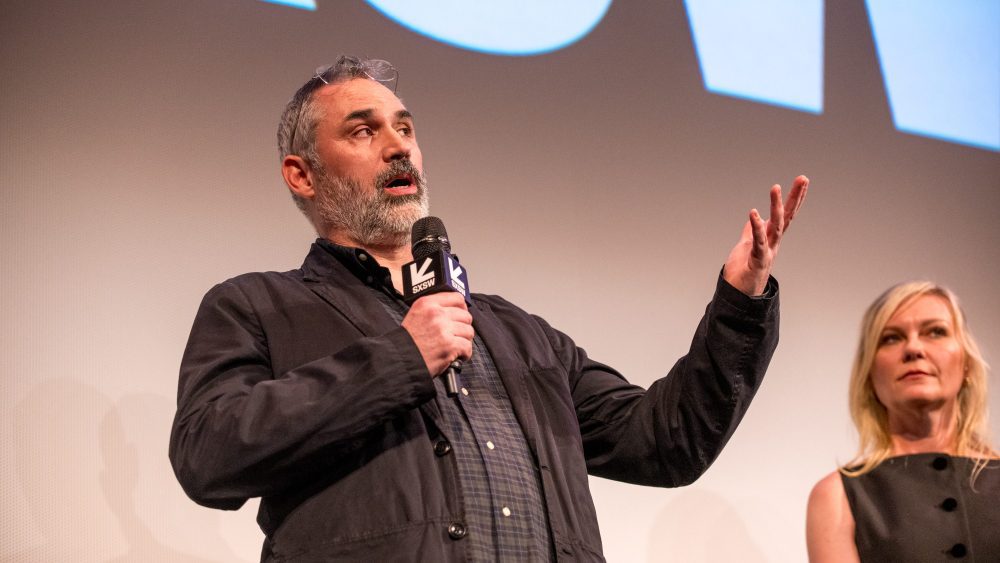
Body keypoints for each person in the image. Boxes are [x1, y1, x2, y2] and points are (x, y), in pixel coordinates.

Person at [169, 55, 809, 562]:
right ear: (301, 174)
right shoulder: (257, 306)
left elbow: (668, 443)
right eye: (364, 130)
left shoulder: (516, 333)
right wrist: (399, 359)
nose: (398, 147)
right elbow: (207, 456)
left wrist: (740, 301)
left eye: (406, 129)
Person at [806, 282, 999, 562]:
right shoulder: (838, 497)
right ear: (870, 374)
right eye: (891, 338)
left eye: (936, 332)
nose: (913, 349)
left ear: (966, 362)